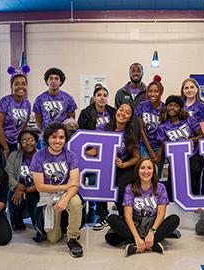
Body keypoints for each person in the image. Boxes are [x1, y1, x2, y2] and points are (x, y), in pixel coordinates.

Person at [105, 157, 180, 256]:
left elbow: (161, 215)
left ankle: (137, 246)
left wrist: (152, 232)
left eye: (149, 168)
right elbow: (128, 216)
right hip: (135, 225)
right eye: (142, 168)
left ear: (154, 171)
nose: (146, 171)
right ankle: (150, 244)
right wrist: (136, 236)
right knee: (112, 218)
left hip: (152, 225)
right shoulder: (130, 188)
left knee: (174, 219)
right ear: (137, 171)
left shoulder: (160, 188)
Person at [30, 123, 84, 258]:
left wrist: (65, 199)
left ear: (65, 140)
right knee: (53, 239)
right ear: (47, 138)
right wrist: (64, 187)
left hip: (67, 194)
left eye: (61, 137)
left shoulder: (71, 156)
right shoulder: (39, 156)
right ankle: (63, 223)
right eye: (54, 137)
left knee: (76, 203)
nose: (57, 141)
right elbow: (40, 186)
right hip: (48, 195)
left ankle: (72, 238)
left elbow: (75, 184)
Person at [89, 103, 140, 230]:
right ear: (116, 112)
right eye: (121, 110)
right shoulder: (102, 128)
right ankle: (103, 216)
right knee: (101, 183)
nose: (123, 113)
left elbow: (136, 158)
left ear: (130, 118)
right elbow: (95, 151)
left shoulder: (130, 135)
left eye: (127, 112)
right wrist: (78, 151)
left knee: (120, 187)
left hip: (123, 167)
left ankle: (125, 217)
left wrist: (123, 164)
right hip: (105, 167)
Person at [78, 85, 116, 223]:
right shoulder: (85, 113)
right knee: (89, 182)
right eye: (99, 95)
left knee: (102, 183)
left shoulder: (113, 112)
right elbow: (80, 134)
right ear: (94, 97)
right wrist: (88, 151)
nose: (102, 97)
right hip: (90, 153)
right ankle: (85, 209)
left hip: (107, 154)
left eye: (105, 95)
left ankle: (101, 212)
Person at [157, 95, 204, 198]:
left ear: (180, 108)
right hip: (175, 158)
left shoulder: (189, 119)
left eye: (176, 106)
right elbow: (164, 145)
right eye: (170, 105)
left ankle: (194, 202)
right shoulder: (162, 126)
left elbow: (201, 136)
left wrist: (192, 140)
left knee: (192, 177)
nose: (172, 108)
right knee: (172, 184)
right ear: (166, 107)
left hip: (192, 156)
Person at [5, 129, 44, 240]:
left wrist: (27, 189)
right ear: (20, 144)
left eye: (30, 140)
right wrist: (17, 186)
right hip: (18, 190)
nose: (27, 143)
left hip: (36, 190)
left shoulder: (42, 156)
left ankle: (39, 229)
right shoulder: (14, 155)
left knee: (35, 205)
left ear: (36, 141)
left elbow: (46, 179)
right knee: (16, 198)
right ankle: (17, 222)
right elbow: (8, 174)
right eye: (24, 141)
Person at [0, 71, 31, 156]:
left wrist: (22, 142)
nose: (20, 86)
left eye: (23, 84)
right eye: (17, 84)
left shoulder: (27, 104)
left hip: (14, 142)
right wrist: (5, 148)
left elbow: (24, 126)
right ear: (12, 86)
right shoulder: (5, 101)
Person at [135, 75, 165, 178]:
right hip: (145, 145)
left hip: (160, 146)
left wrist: (159, 152)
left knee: (157, 175)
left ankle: (157, 194)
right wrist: (151, 152)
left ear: (161, 92)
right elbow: (142, 130)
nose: (152, 94)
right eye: (150, 91)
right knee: (145, 173)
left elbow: (166, 132)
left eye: (156, 91)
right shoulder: (142, 106)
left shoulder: (164, 108)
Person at [33, 67, 77, 134]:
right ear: (47, 81)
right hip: (46, 135)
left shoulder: (68, 98)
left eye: (56, 79)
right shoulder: (39, 99)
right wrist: (43, 132)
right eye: (51, 78)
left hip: (63, 135)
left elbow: (71, 118)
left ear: (61, 81)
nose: (53, 81)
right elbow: (38, 118)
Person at [115, 63, 147, 137]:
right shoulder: (120, 93)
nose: (136, 73)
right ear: (129, 73)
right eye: (133, 71)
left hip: (144, 137)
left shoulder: (148, 92)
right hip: (125, 136)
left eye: (138, 71)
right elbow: (116, 115)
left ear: (142, 73)